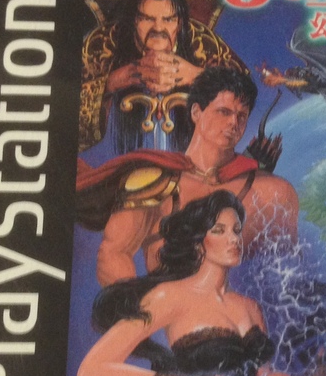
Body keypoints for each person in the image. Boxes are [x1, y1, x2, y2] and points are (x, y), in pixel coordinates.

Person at [77, 191, 326, 376]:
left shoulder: (249, 307)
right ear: (199, 242)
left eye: (236, 230)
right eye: (219, 230)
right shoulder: (169, 296)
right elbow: (92, 368)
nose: (233, 239)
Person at [77, 67, 299, 286]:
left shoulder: (274, 192)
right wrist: (144, 308)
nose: (234, 122)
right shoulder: (153, 181)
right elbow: (113, 254)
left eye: (241, 115)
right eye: (224, 112)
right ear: (196, 112)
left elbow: (289, 274)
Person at [79, 0, 247, 154]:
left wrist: (199, 76)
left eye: (168, 20)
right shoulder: (103, 44)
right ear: (135, 21)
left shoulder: (202, 43)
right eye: (147, 19)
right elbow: (69, 119)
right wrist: (111, 83)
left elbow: (245, 95)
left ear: (179, 23)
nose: (158, 28)